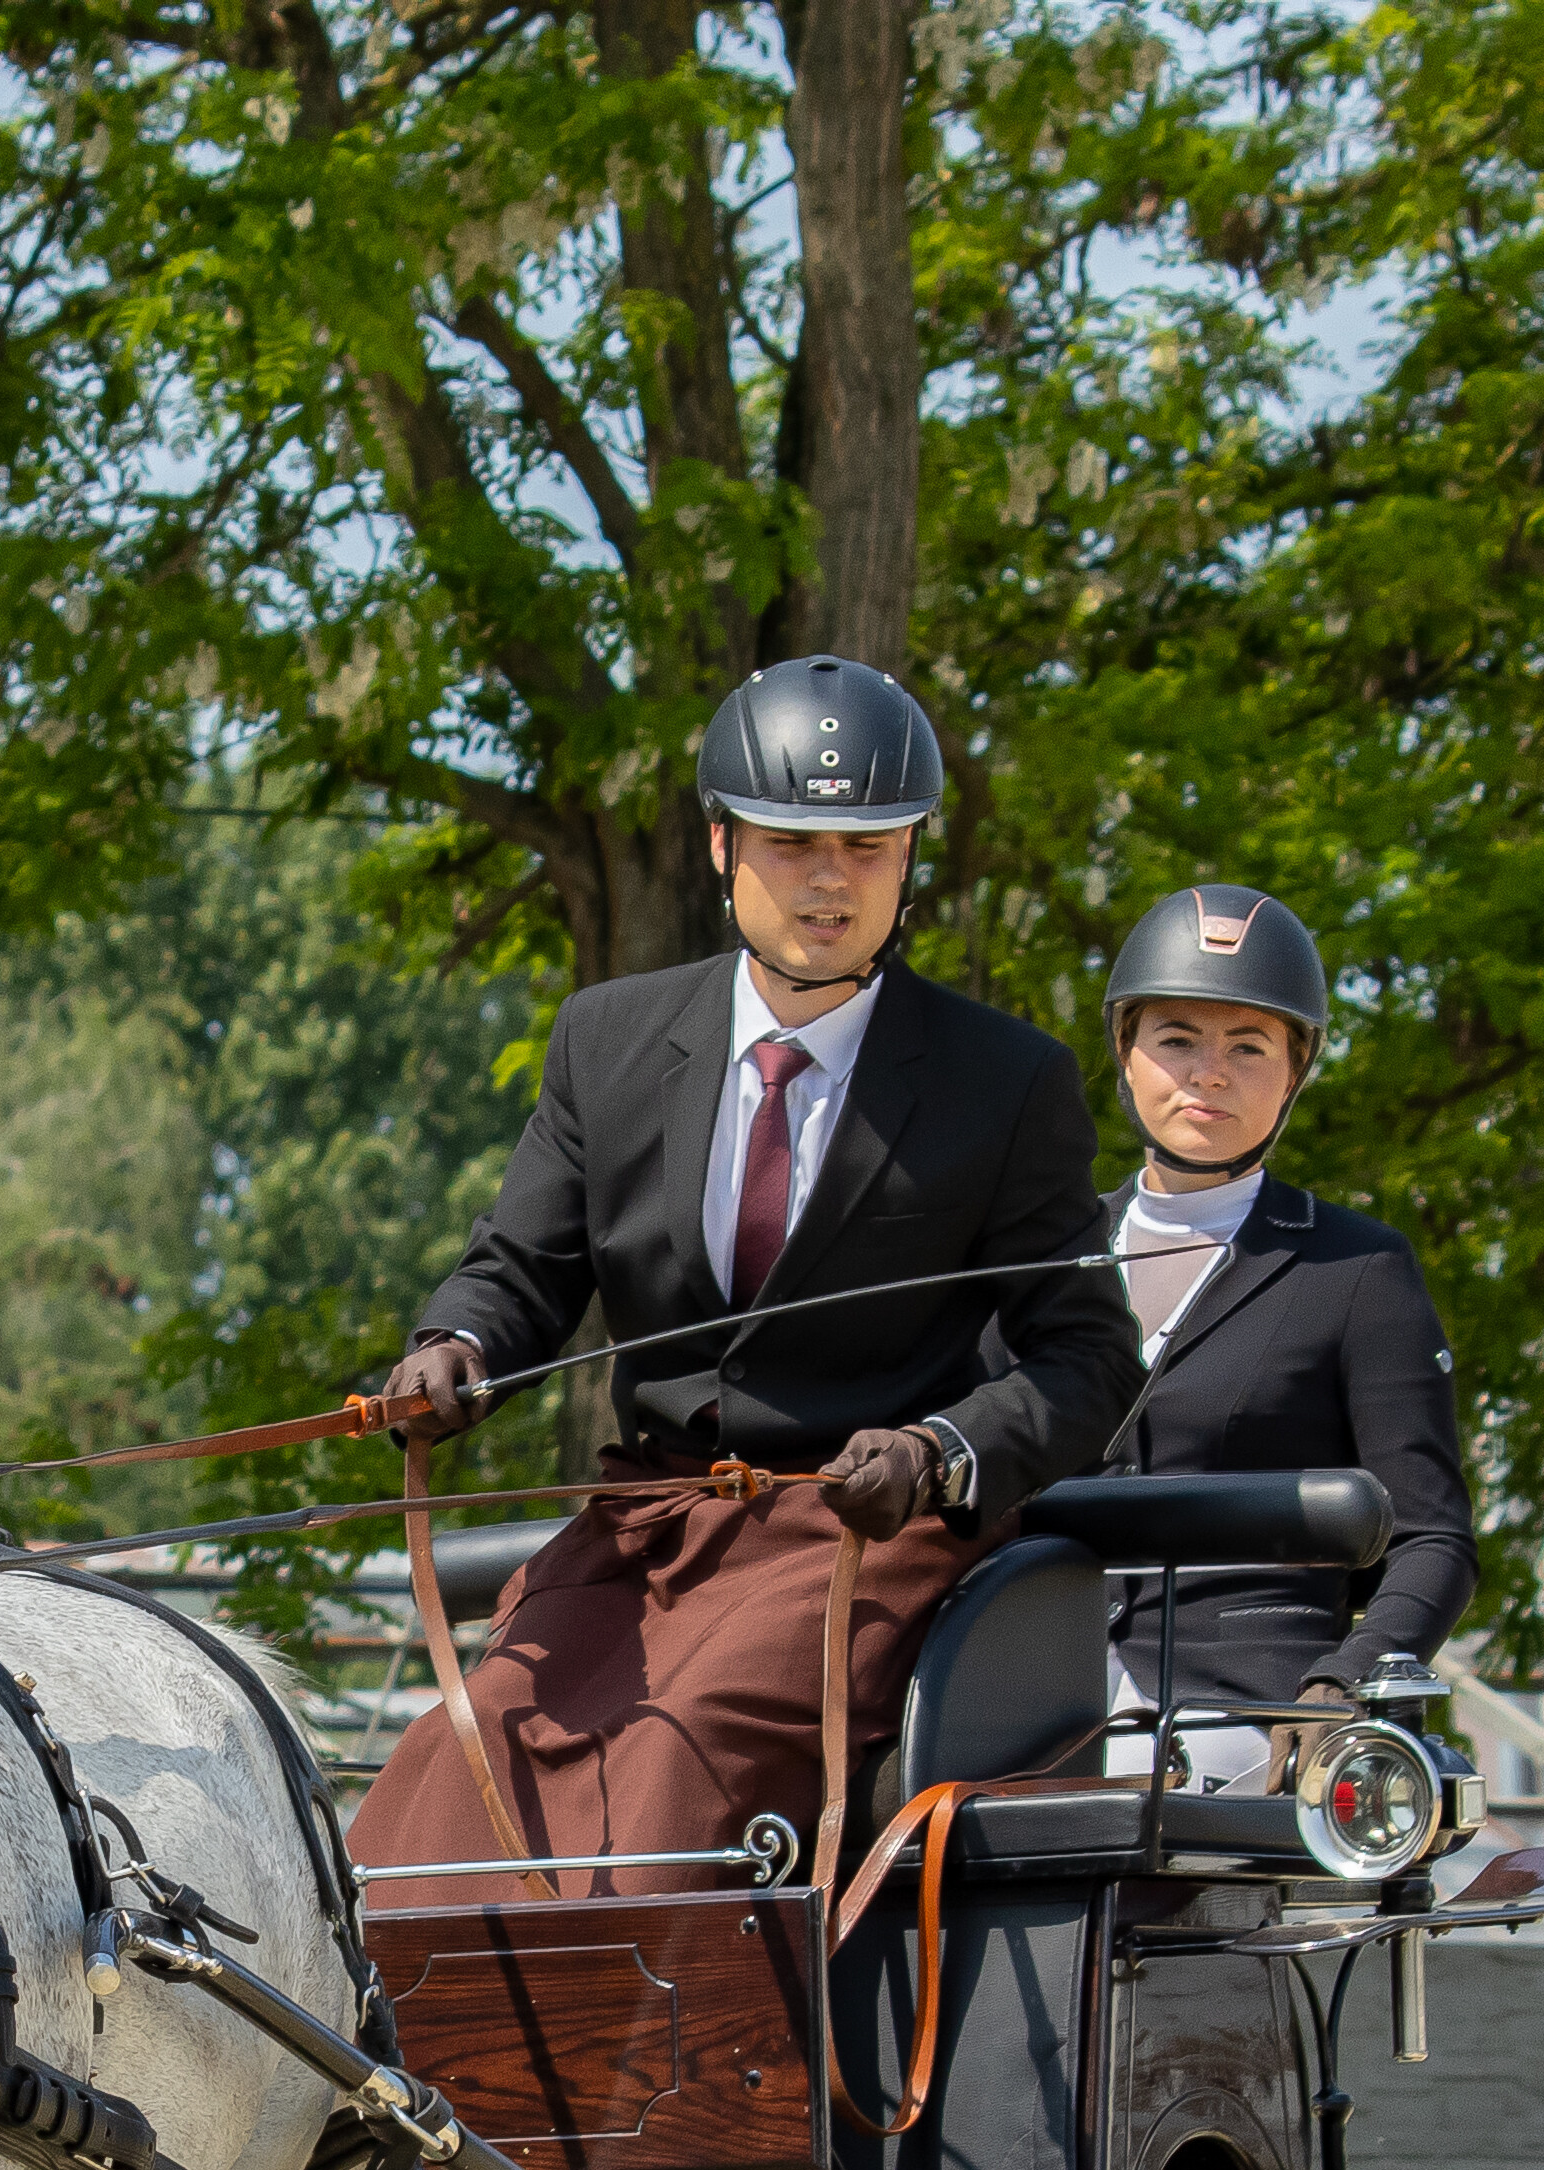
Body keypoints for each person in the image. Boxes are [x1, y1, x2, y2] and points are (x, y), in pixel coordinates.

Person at [345, 659, 1143, 1893]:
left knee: (670, 1762)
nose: (829, 879)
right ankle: (409, 2085)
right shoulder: (606, 1039)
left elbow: (1089, 1359)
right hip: (647, 1524)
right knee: (452, 1766)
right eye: (792, 842)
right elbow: (520, 1269)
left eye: (867, 848)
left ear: (910, 858)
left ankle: (650, 2088)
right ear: (722, 846)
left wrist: (940, 1447)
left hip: (857, 1533)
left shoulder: (1007, 1080)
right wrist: (455, 1346)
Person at [1078, 883, 1477, 1734]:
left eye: (1249, 1047)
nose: (1209, 1073)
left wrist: (1341, 1684)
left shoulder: (1357, 1268)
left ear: (1297, 1068)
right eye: (1176, 1039)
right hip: (1026, 1693)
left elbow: (1431, 1541)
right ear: (1125, 1050)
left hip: (1255, 1712)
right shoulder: (1043, 1252)